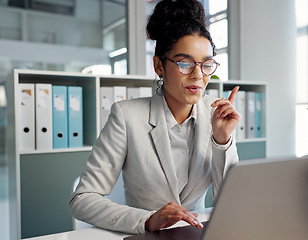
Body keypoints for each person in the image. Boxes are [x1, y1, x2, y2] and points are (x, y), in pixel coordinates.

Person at [69, 0, 240, 234]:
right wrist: (147, 220)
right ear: (159, 65)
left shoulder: (217, 113)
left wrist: (222, 141)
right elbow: (83, 199)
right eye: (184, 63)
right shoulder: (127, 116)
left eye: (206, 64)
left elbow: (230, 201)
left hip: (197, 234)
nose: (198, 75)